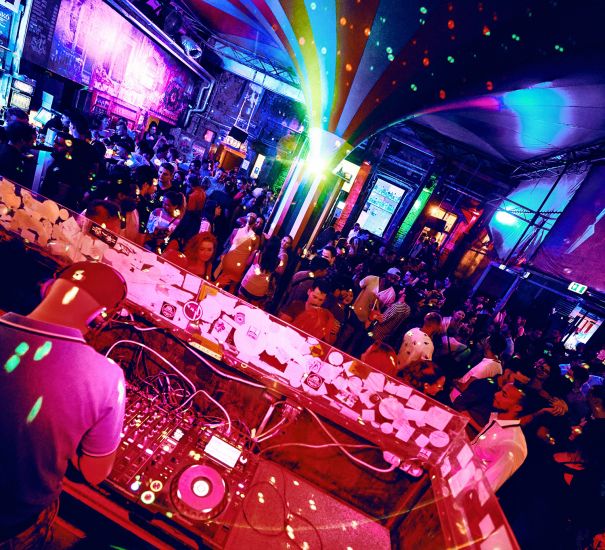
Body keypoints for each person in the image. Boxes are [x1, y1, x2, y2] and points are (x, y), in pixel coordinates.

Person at [0, 261, 127, 546]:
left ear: (47, 289)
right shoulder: (107, 377)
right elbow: (94, 473)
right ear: (100, 318)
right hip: (13, 526)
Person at [471, 383, 529, 492]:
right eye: (500, 390)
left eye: (504, 394)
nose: (496, 394)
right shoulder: (496, 418)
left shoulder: (512, 444)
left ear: (517, 407)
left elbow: (486, 488)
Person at [278, 280, 339, 344]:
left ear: (324, 300)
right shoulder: (296, 305)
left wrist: (332, 332)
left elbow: (327, 343)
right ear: (309, 292)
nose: (316, 302)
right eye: (314, 297)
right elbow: (282, 324)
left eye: (320, 300)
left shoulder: (325, 316)